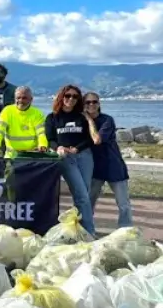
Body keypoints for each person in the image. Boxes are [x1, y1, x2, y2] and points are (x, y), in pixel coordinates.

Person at [45, 84, 98, 236]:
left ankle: (78, 229)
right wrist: (59, 148)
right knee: (81, 194)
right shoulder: (52, 117)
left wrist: (77, 148)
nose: (71, 99)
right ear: (61, 97)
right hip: (65, 158)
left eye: (75, 96)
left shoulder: (82, 117)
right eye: (68, 95)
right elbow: (50, 139)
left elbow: (89, 139)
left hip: (85, 157)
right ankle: (89, 232)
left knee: (83, 195)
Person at [83, 92, 132, 229]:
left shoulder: (107, 120)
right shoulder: (80, 122)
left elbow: (97, 140)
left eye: (94, 102)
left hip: (113, 166)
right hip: (94, 168)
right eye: (88, 102)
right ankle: (86, 228)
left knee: (123, 203)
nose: (91, 104)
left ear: (99, 104)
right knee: (88, 202)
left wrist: (89, 120)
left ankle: (125, 230)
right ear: (83, 105)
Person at [0, 86, 46, 156]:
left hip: (32, 156)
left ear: (31, 99)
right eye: (18, 98)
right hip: (11, 156)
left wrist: (43, 145)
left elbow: (41, 133)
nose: (21, 100)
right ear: (14, 99)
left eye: (24, 98)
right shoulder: (7, 111)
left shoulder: (37, 113)